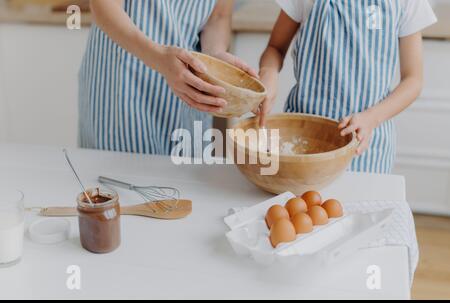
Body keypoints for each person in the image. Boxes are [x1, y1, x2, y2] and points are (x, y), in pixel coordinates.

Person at [258, 0, 437, 173]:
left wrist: (372, 118)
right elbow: (275, 48)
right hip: (300, 137)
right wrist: (268, 72)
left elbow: (413, 80)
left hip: (366, 146)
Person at [79, 0, 256, 155]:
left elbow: (219, 15)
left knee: (185, 186)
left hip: (187, 87)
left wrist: (215, 55)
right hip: (122, 82)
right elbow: (104, 5)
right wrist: (158, 57)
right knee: (117, 183)